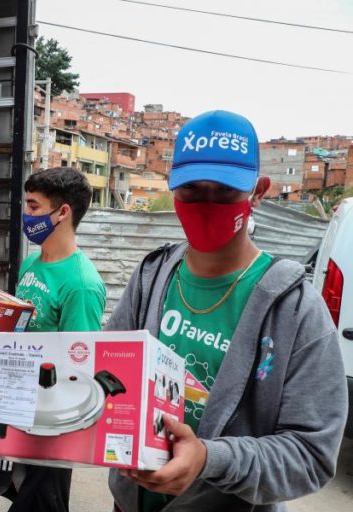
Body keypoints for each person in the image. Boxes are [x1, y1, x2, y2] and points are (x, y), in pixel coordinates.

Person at [106, 110, 347, 512]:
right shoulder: (151, 278)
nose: (206, 204)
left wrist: (208, 459)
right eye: (192, 191)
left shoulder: (296, 308)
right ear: (172, 187)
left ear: (258, 190)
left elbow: (311, 453)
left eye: (224, 191)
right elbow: (107, 379)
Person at [0, 167, 107, 512]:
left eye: (33, 207)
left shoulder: (82, 284)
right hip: (4, 404)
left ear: (62, 212)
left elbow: (77, 370)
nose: (26, 215)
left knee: (34, 503)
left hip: (41, 423)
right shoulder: (32, 263)